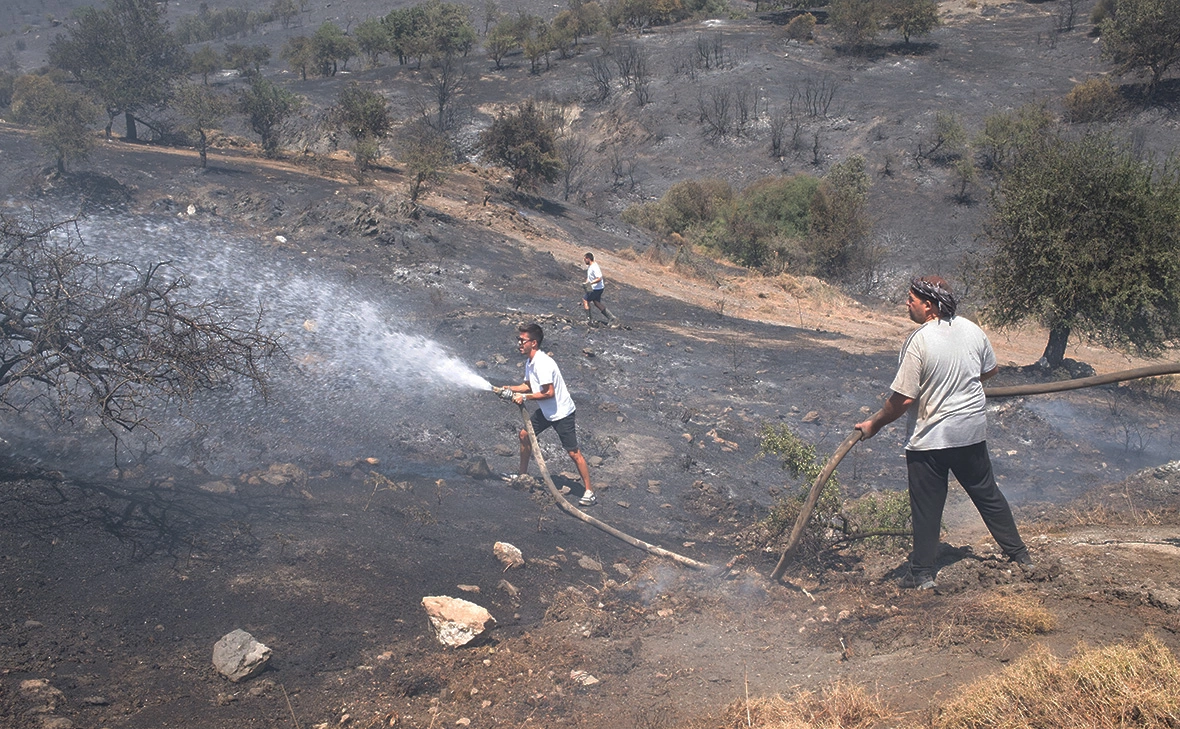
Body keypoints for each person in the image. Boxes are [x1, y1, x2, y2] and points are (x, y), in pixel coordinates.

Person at [854, 276, 1033, 590]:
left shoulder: (919, 340)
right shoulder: (972, 329)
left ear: (929, 305)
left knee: (927, 508)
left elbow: (903, 400)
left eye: (911, 299)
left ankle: (921, 574)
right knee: (987, 493)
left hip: (932, 439)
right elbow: (990, 371)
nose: (907, 304)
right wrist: (959, 380)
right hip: (971, 431)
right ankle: (1020, 557)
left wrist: (874, 424)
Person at [499, 322, 596, 506]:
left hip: (562, 413)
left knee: (573, 453)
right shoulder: (530, 361)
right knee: (524, 434)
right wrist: (509, 389)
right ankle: (522, 475)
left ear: (533, 343)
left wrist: (524, 398)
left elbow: (548, 393)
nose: (519, 343)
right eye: (518, 340)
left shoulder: (543, 363)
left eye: (522, 340)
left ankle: (590, 491)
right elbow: (527, 385)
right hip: (547, 411)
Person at [582, 252, 618, 327]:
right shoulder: (590, 266)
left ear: (588, 259)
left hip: (596, 288)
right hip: (597, 288)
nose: (584, 261)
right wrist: (586, 283)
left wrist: (590, 283)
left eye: (585, 259)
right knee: (596, 302)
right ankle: (611, 317)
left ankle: (588, 320)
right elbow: (589, 277)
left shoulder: (595, 267)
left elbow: (599, 278)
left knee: (585, 300)